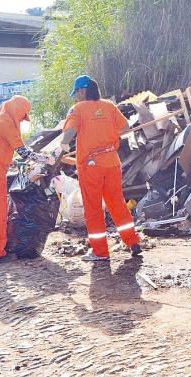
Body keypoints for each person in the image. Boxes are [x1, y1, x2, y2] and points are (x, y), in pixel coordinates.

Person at [60, 75, 142, 261]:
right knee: (117, 204)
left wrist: (64, 146)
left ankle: (100, 251)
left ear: (81, 91)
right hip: (112, 162)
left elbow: (69, 133)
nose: (76, 97)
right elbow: (124, 127)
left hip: (91, 167)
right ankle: (132, 241)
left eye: (77, 93)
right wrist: (105, 134)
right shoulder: (109, 106)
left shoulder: (78, 109)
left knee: (93, 209)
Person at [0, 95, 55, 264]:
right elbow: (24, 153)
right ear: (17, 111)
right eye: (23, 116)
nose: (22, 121)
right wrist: (47, 159)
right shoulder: (7, 125)